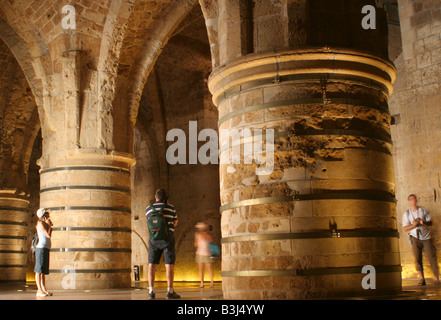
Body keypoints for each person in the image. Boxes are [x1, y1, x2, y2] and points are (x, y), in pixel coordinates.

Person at [146, 189, 180, 299]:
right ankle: (170, 291)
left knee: (151, 264)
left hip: (153, 240)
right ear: (166, 198)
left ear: (155, 197)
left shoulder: (148, 209)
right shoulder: (170, 207)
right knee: (169, 264)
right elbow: (175, 222)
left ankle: (151, 291)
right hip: (167, 239)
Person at [402, 194, 440, 286]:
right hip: (415, 237)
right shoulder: (407, 213)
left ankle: (436, 278)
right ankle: (422, 279)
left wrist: (423, 222)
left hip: (426, 236)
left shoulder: (423, 210)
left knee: (432, 257)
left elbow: (430, 222)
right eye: (411, 199)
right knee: (417, 258)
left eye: (414, 199)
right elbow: (405, 228)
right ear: (409, 201)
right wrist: (414, 225)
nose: (413, 201)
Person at [34, 208, 53, 297]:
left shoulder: (44, 224)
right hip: (41, 248)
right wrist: (49, 226)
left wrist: (49, 226)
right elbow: (47, 235)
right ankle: (39, 290)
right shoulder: (41, 224)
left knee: (43, 270)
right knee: (39, 270)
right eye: (46, 213)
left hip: (45, 248)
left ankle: (44, 290)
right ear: (43, 215)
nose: (48, 214)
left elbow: (49, 235)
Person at [194, 222, 214, 288]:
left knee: (208, 269)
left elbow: (210, 240)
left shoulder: (208, 235)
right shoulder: (198, 235)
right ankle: (202, 283)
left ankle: (211, 282)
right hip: (201, 253)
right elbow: (196, 244)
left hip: (207, 254)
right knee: (202, 269)